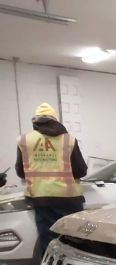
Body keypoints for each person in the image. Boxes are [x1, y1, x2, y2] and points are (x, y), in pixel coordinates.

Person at [15, 103, 87, 251]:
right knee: (73, 242)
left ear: (35, 121)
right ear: (56, 120)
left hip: (41, 199)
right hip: (69, 200)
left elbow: (21, 172)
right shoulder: (68, 140)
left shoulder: (24, 140)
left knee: (48, 242)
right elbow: (80, 170)